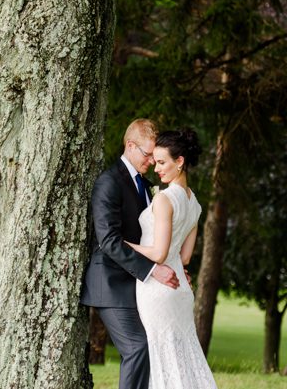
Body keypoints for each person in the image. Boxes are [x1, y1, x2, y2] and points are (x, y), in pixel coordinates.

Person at [80, 119, 180, 389]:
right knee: (138, 347)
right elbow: (109, 241)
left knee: (154, 347)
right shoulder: (109, 182)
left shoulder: (146, 186)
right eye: (147, 154)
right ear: (130, 146)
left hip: (137, 285)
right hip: (110, 284)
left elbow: (151, 238)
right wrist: (152, 270)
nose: (152, 161)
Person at [126, 128, 217, 389]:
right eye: (155, 162)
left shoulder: (165, 199)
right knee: (183, 358)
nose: (157, 169)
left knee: (161, 358)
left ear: (180, 162)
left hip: (157, 289)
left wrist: (124, 243)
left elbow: (159, 253)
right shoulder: (194, 202)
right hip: (179, 289)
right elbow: (185, 257)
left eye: (163, 162)